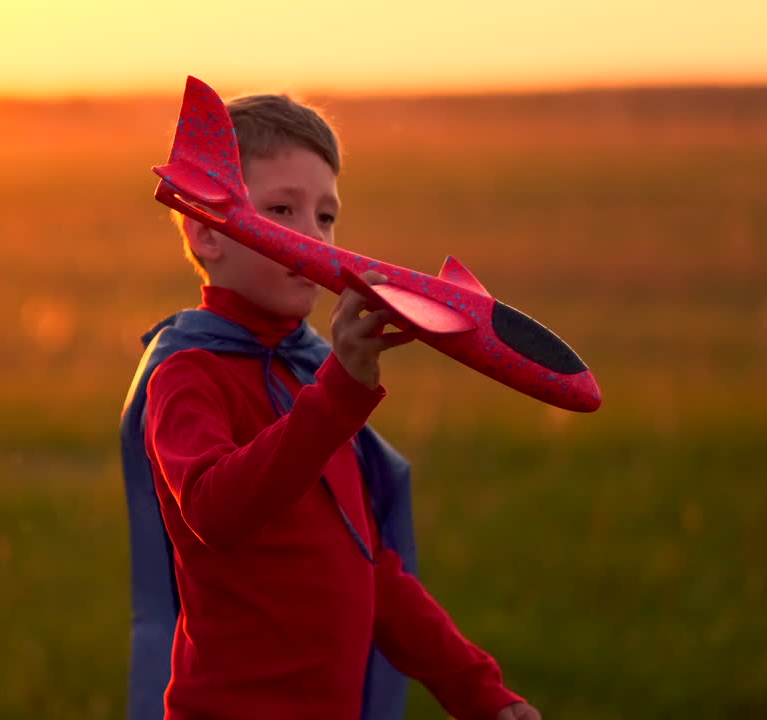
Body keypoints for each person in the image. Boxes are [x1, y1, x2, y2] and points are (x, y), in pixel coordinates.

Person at [119, 91, 540, 720]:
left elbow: (371, 569)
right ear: (207, 230)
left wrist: (481, 693)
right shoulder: (188, 373)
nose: (313, 238)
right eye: (281, 210)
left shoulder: (307, 374)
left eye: (326, 216)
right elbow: (216, 511)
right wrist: (338, 393)